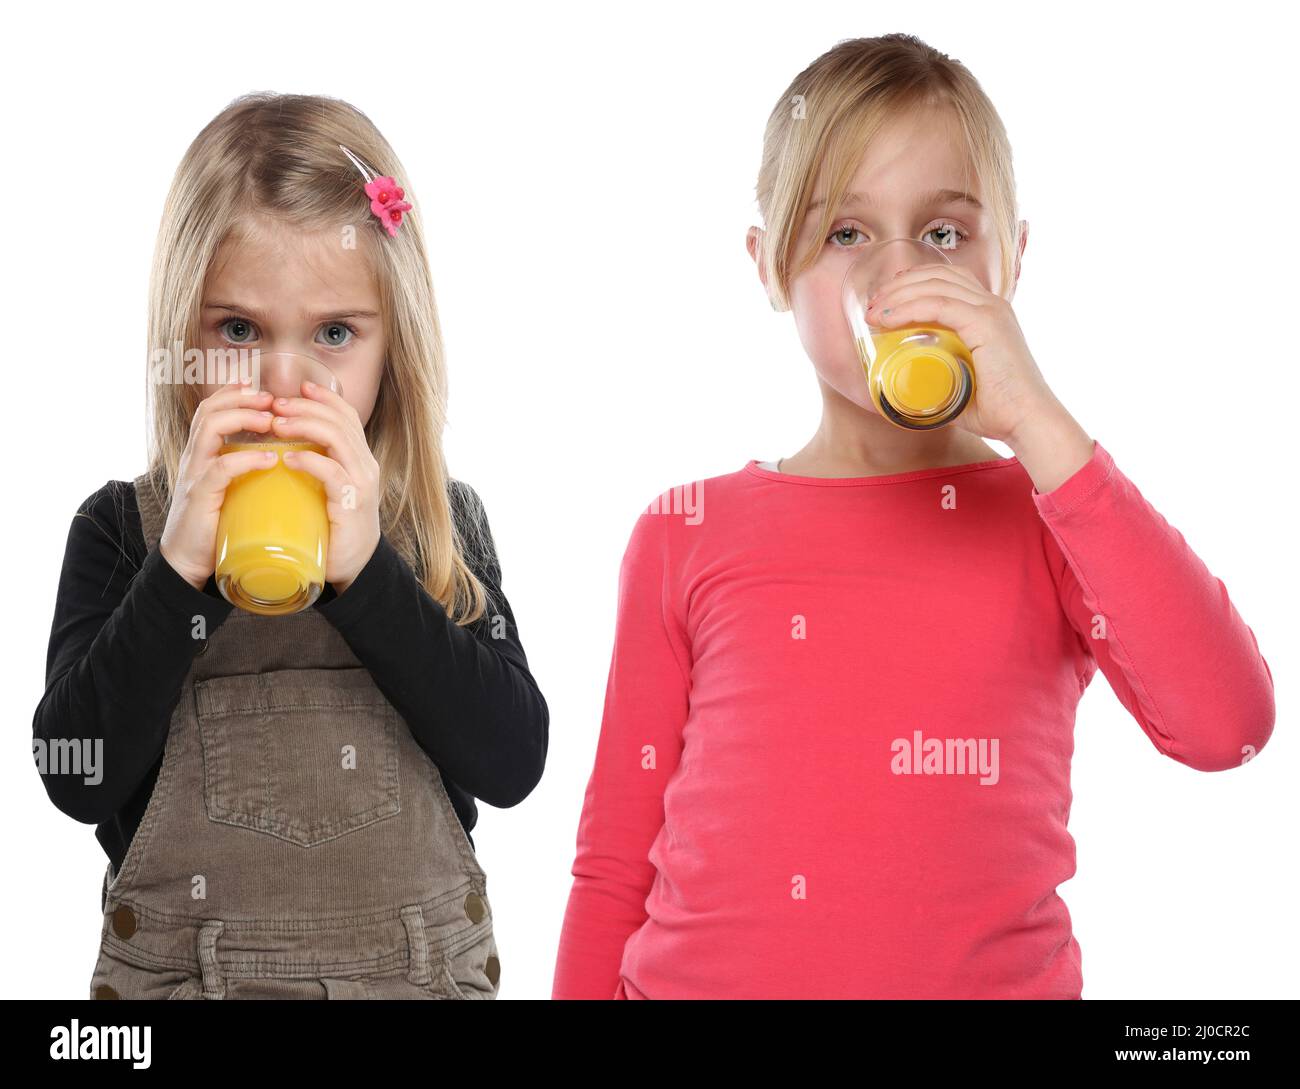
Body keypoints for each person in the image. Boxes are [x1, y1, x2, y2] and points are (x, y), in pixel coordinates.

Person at [551, 34, 1274, 1000]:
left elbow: (1228, 725)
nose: (897, 284)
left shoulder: (1055, 516)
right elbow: (612, 866)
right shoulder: (684, 531)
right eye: (845, 234)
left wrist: (1043, 426)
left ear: (1010, 260)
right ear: (770, 267)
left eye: (943, 235)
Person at [33, 92, 548, 1000]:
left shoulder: (439, 526)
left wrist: (369, 574)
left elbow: (512, 761)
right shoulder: (122, 530)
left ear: (397, 349)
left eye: (334, 335)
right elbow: (74, 772)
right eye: (237, 331)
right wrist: (178, 574)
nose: (282, 385)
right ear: (180, 339)